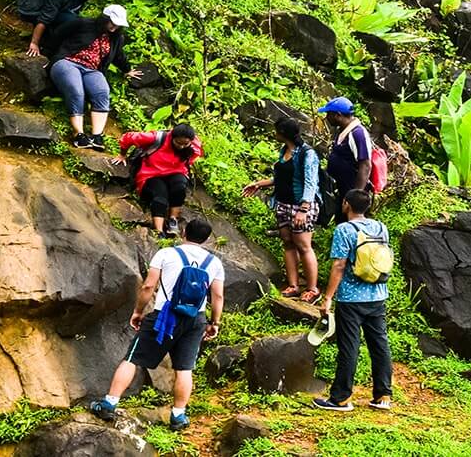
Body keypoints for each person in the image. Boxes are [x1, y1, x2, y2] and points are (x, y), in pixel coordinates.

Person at [89, 215, 223, 432]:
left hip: (165, 316)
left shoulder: (167, 253)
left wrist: (138, 311)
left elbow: (148, 286)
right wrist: (214, 322)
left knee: (132, 359)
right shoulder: (214, 263)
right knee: (185, 368)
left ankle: (109, 403)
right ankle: (178, 416)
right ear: (206, 239)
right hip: (195, 320)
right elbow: (217, 297)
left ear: (184, 233)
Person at [313, 189, 393, 413]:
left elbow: (339, 265)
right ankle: (383, 395)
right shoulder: (380, 227)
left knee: (349, 346)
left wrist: (327, 297)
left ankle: (340, 398)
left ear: (346, 204)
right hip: (378, 295)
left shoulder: (344, 230)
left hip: (351, 298)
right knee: (380, 344)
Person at [242, 118, 321, 302]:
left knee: (303, 245)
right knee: (287, 242)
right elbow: (282, 177)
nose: (274, 133)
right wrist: (261, 184)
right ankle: (293, 285)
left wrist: (304, 209)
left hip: (301, 205)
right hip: (283, 203)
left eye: (276, 130)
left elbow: (310, 182)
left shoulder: (307, 154)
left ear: (283, 133)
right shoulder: (284, 150)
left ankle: (312, 288)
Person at [48, 5, 140, 149]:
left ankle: (97, 136)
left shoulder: (117, 37)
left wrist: (127, 70)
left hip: (92, 69)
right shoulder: (83, 23)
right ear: (105, 18)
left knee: (102, 92)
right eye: (112, 23)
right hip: (68, 62)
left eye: (117, 25)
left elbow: (118, 55)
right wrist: (48, 53)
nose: (114, 27)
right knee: (76, 91)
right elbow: (58, 34)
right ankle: (78, 134)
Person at [115, 123, 203, 237]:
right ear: (172, 137)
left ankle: (172, 220)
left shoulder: (194, 144)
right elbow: (128, 137)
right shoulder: (156, 138)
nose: (181, 146)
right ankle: (159, 231)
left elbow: (192, 157)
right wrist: (122, 155)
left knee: (180, 187)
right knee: (160, 195)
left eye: (185, 144)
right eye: (178, 143)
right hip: (151, 174)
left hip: (176, 172)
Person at [14, 0, 103, 57]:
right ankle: (46, 45)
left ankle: (51, 43)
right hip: (29, 7)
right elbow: (45, 19)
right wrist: (34, 43)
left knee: (74, 21)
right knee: (69, 20)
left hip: (47, 5)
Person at [318, 97, 372, 225]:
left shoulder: (357, 134)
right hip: (341, 189)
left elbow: (365, 165)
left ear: (338, 115)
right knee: (341, 221)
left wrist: (356, 195)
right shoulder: (342, 131)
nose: (326, 118)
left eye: (329, 114)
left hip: (351, 189)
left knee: (352, 223)